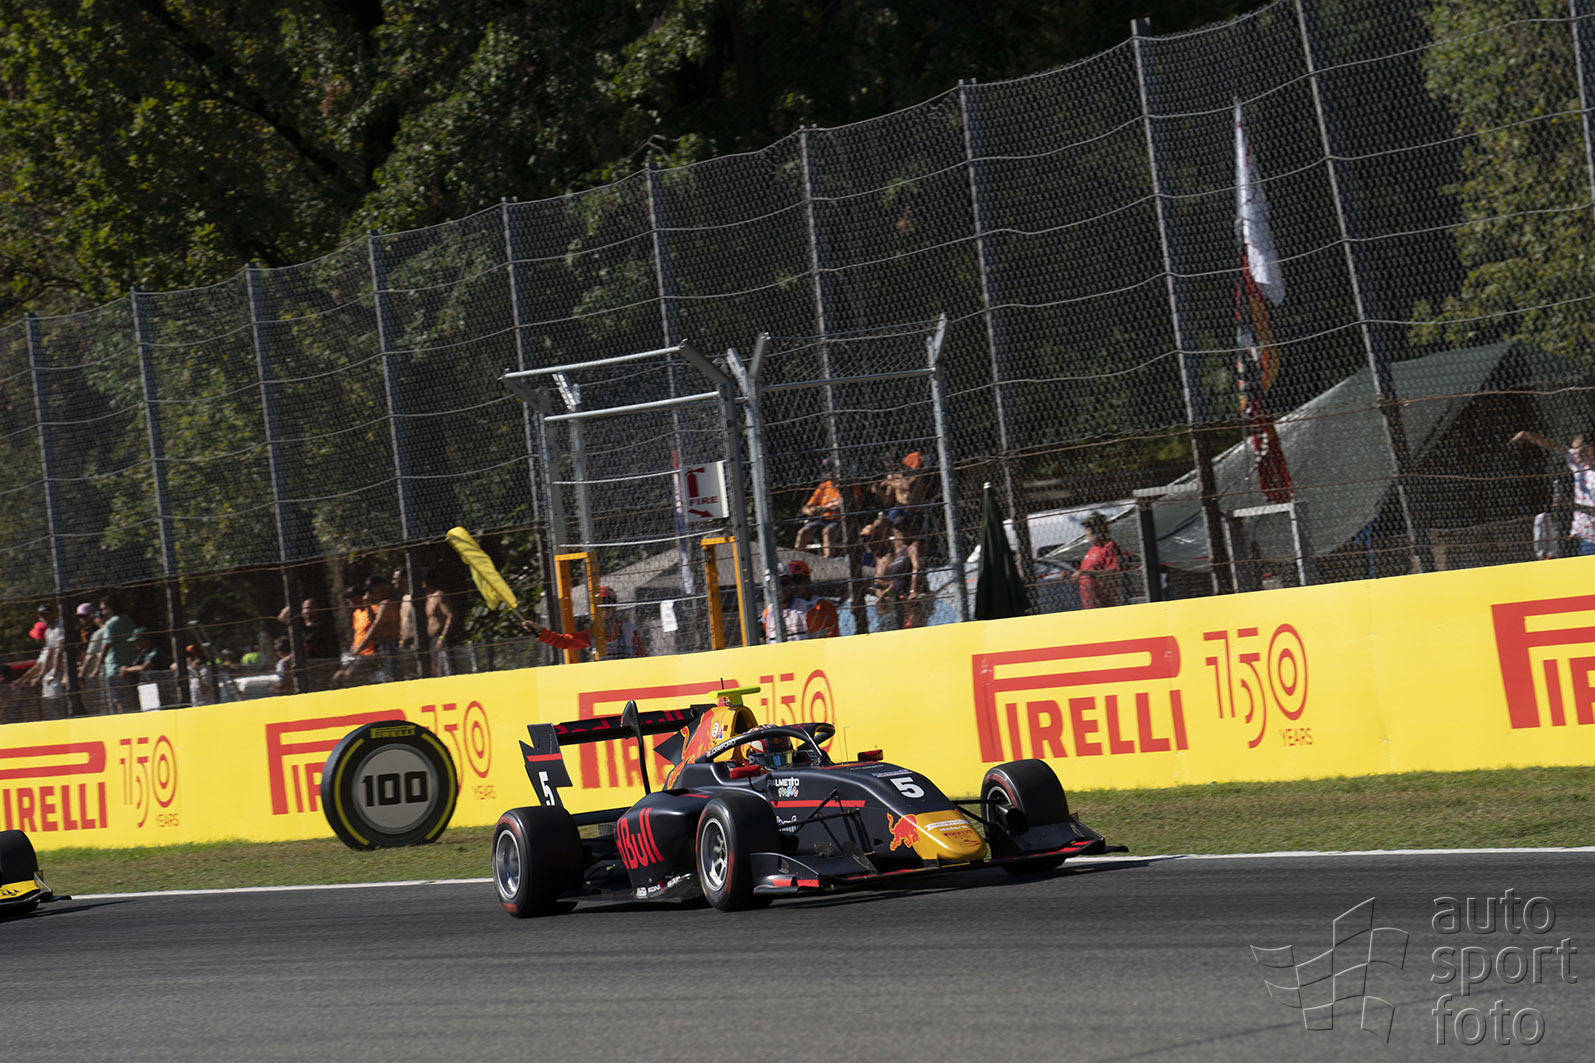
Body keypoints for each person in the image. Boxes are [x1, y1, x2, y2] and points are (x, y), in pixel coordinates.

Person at [1512, 429, 1595, 554]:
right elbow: (1554, 446)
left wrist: (1572, 506)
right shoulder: (1580, 466)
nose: (1573, 452)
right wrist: (1527, 435)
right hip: (1581, 535)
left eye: (1577, 448)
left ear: (1590, 448)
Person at [521, 586, 648, 660]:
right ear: (593, 608)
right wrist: (539, 630)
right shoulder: (592, 634)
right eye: (600, 604)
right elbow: (563, 641)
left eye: (608, 603)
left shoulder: (630, 630)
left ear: (614, 606)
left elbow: (642, 656)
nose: (605, 607)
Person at [761, 560, 840, 641]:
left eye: (798, 580)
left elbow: (826, 640)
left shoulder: (814, 608)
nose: (780, 588)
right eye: (774, 585)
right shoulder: (767, 613)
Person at [18, 603, 66, 720]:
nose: (43, 618)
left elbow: (58, 653)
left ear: (53, 614)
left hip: (62, 672)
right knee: (51, 706)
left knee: (60, 705)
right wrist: (40, 676)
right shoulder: (48, 632)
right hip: (51, 675)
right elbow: (49, 654)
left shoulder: (60, 629)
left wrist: (53, 675)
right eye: (41, 615)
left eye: (45, 614)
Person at [1074, 512, 1131, 609]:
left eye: (1092, 527)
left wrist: (1086, 573)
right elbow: (1083, 575)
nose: (1089, 530)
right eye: (1087, 528)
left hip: (1104, 602)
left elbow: (1113, 572)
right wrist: (1071, 575)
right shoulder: (1092, 549)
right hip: (1089, 601)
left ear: (1102, 528)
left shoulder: (1109, 546)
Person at [98, 596, 140, 713]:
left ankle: (122, 719)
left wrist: (97, 666)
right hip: (130, 664)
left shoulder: (110, 624)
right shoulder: (128, 619)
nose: (101, 612)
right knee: (132, 697)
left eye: (103, 609)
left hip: (115, 667)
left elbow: (106, 645)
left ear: (109, 608)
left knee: (119, 700)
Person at [794, 459, 843, 558]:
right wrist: (811, 512)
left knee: (827, 531)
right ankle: (797, 560)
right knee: (802, 532)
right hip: (822, 520)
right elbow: (805, 508)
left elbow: (855, 506)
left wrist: (829, 510)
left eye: (832, 470)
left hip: (839, 521)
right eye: (827, 470)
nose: (829, 473)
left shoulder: (846, 486)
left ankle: (828, 559)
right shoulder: (824, 486)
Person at [420, 569, 463, 675]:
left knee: (446, 668)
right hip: (431, 639)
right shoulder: (427, 598)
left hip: (440, 637)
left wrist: (442, 637)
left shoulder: (439, 596)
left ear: (425, 582)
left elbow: (450, 615)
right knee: (434, 669)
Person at [1532, 486, 1572, 560]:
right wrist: (1542, 555)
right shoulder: (1542, 518)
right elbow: (1539, 537)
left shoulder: (1567, 516)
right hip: (1550, 554)